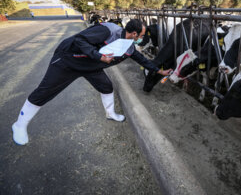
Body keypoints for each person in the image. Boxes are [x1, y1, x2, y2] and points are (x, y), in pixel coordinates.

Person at [12, 19, 172, 145]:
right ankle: (19, 125)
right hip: (68, 60)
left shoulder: (129, 47)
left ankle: (110, 114)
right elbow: (80, 40)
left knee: (106, 86)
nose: (142, 39)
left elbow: (142, 60)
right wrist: (99, 56)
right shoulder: (108, 30)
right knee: (44, 92)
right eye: (142, 35)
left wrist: (159, 71)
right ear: (135, 34)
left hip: (90, 67)